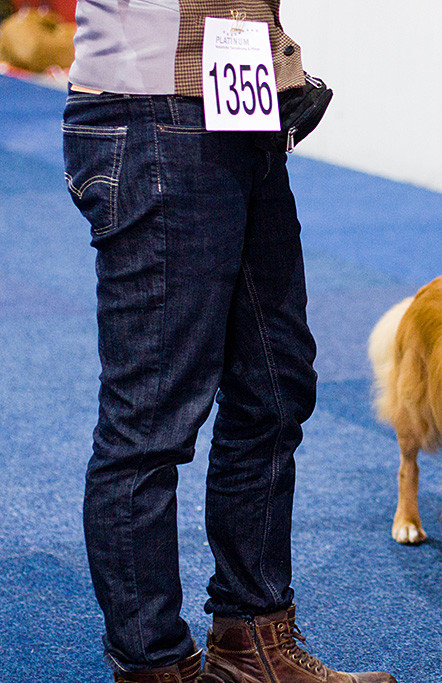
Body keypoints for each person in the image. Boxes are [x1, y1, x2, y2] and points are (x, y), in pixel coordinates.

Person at [62, 2, 395, 682]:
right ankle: (152, 662)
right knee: (150, 416)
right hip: (151, 106)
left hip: (239, 106)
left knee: (275, 390)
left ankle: (253, 640)